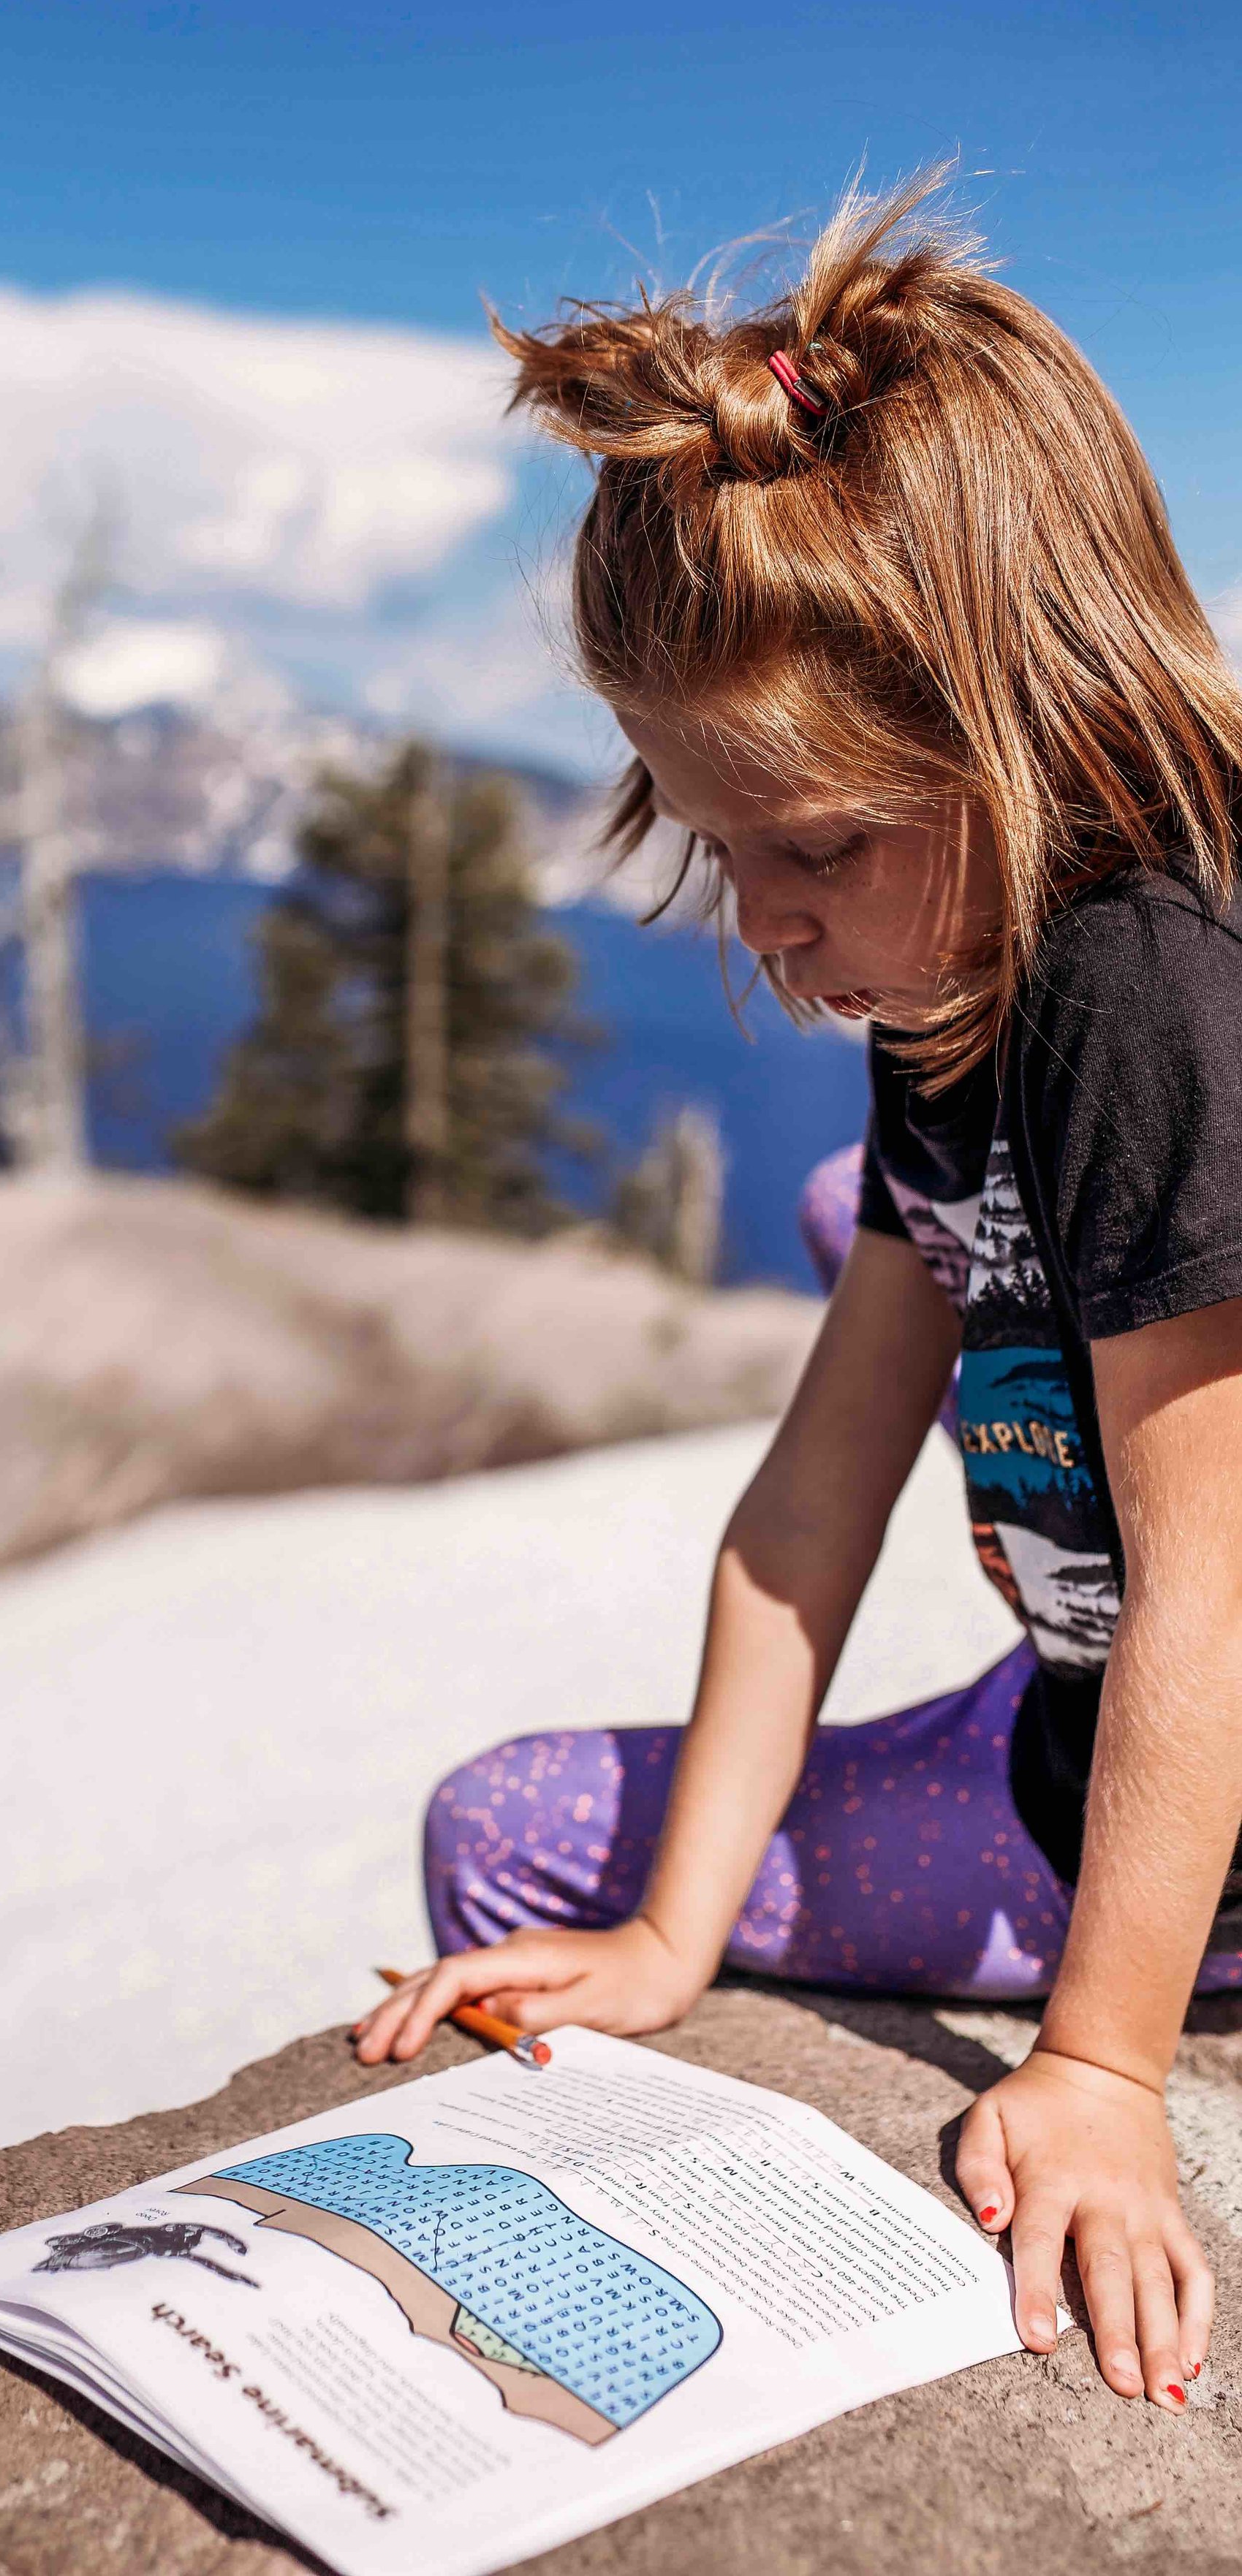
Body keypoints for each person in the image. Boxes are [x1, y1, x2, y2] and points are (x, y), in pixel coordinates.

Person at [355, 176, 1242, 2414]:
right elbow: (813, 1492)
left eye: (813, 844)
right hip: (1064, 1747)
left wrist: (1102, 2071)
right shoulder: (957, 980)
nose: (758, 923)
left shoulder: (1146, 989)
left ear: (1020, 726)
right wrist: (666, 1939)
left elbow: (1215, 1595)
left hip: (1189, 1817)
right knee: (510, 1840)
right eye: (707, 839)